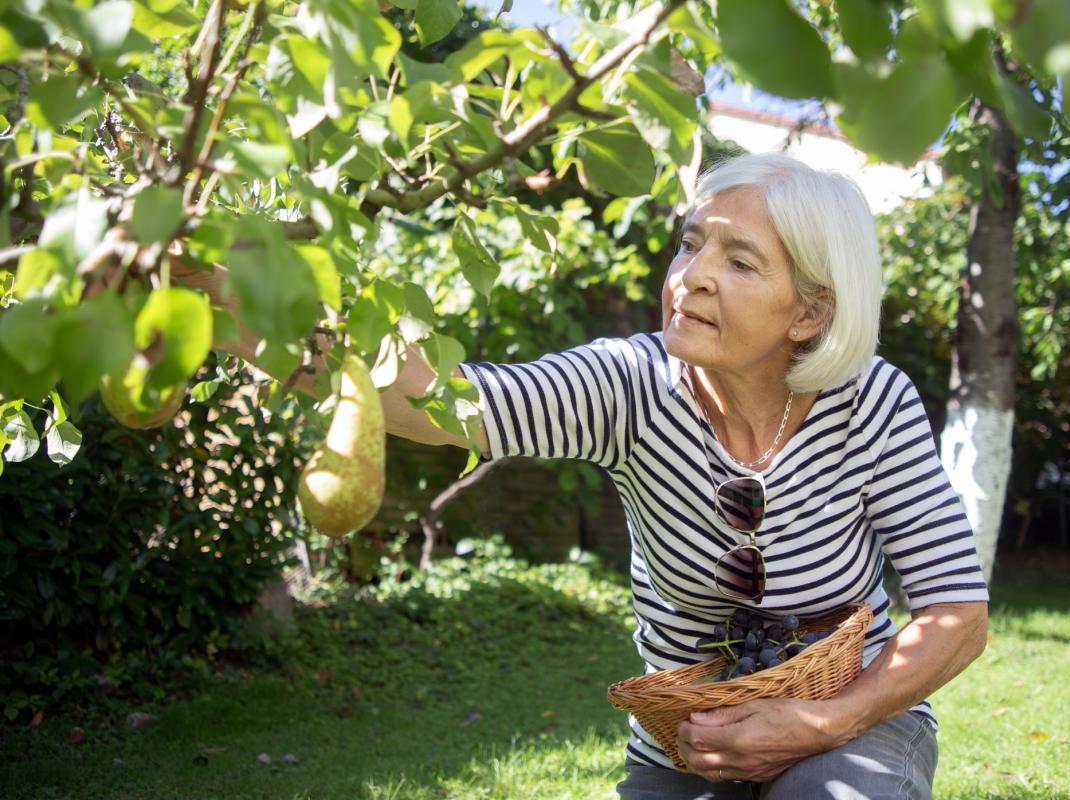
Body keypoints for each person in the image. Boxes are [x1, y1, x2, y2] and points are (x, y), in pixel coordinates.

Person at [182, 152, 989, 799]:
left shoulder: (871, 400)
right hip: (686, 746)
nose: (693, 273)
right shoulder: (628, 387)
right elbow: (449, 402)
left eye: (739, 261)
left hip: (847, 725)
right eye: (691, 242)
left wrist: (823, 726)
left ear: (809, 313)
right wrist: (232, 303)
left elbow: (957, 611)